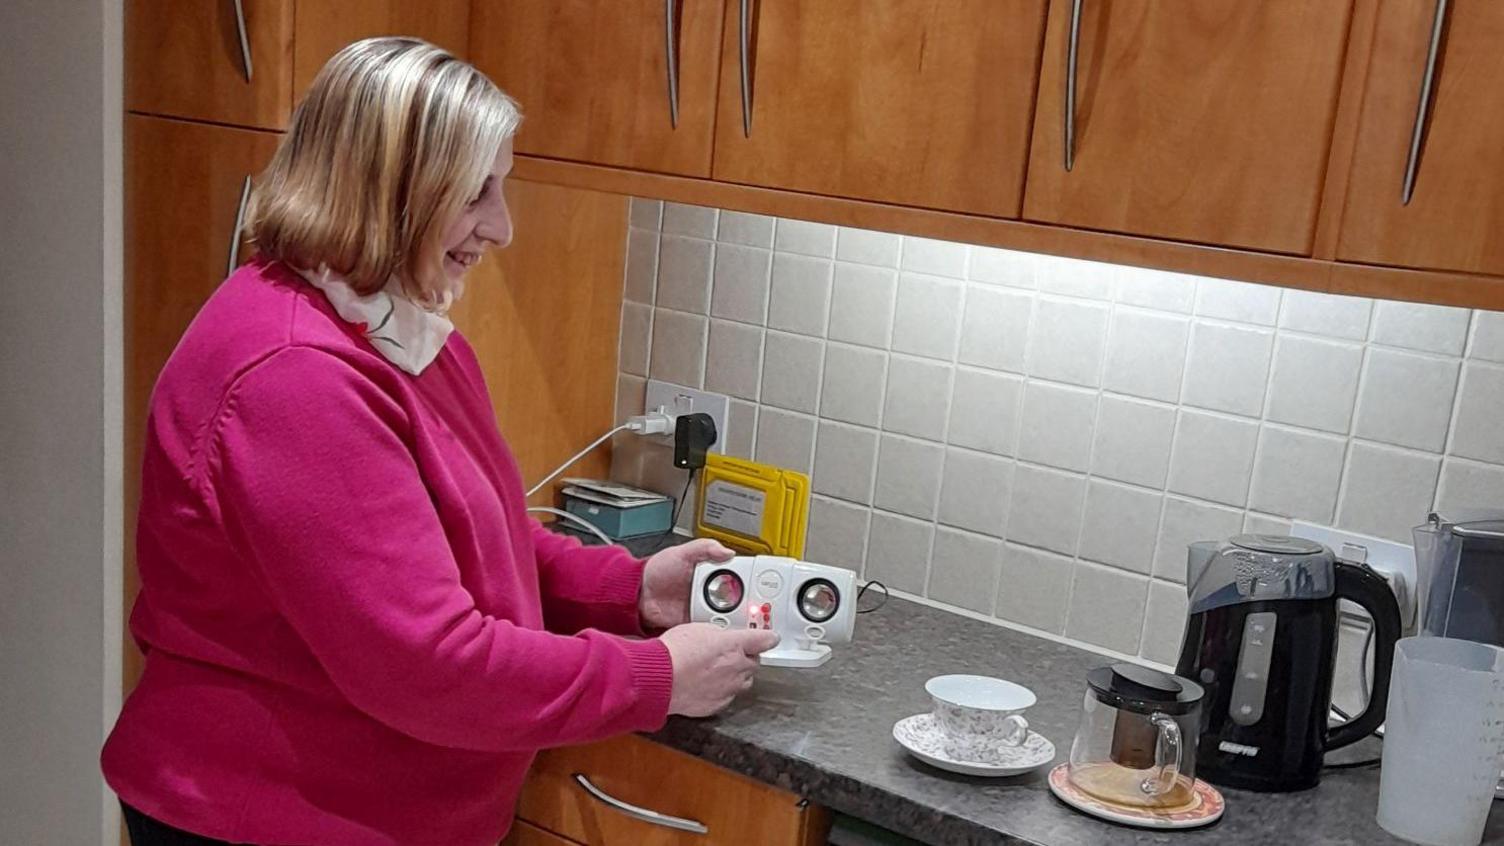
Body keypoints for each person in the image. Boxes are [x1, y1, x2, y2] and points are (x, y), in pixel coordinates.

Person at [101, 37, 779, 846]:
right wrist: (654, 676)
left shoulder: (397, 327)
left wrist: (627, 589)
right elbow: (428, 667)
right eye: (474, 193)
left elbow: (467, 531)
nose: (502, 226)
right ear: (387, 192)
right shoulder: (296, 377)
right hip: (270, 819)